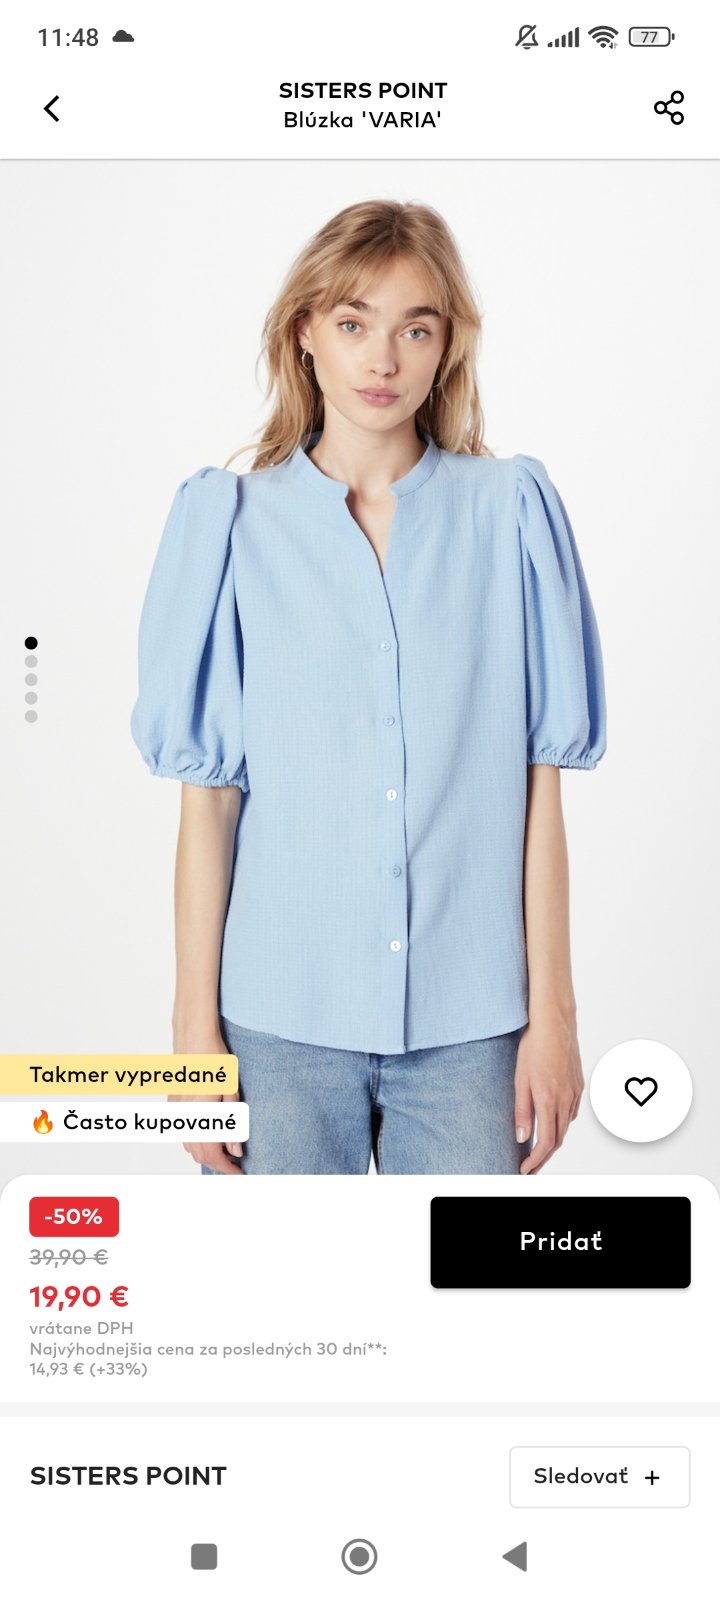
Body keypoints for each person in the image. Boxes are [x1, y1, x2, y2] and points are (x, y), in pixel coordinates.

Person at [131, 199, 606, 1176]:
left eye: (414, 329)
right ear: (304, 332)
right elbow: (209, 802)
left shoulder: (511, 514)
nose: (382, 359)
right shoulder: (229, 525)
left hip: (475, 1027)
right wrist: (191, 1033)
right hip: (278, 1025)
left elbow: (539, 790)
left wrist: (554, 1016)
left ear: (447, 347)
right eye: (354, 323)